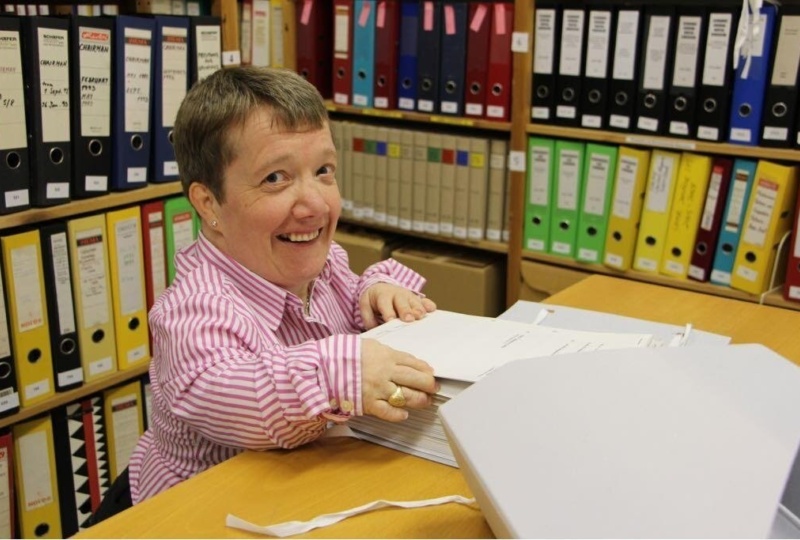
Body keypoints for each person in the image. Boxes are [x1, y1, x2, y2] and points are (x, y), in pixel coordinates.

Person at [126, 66, 439, 506]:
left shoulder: (320, 261)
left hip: (304, 489)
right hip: (201, 516)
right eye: (276, 178)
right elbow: (249, 396)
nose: (315, 204)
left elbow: (350, 301)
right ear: (208, 203)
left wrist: (376, 291)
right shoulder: (192, 314)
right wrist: (339, 371)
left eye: (324, 170)